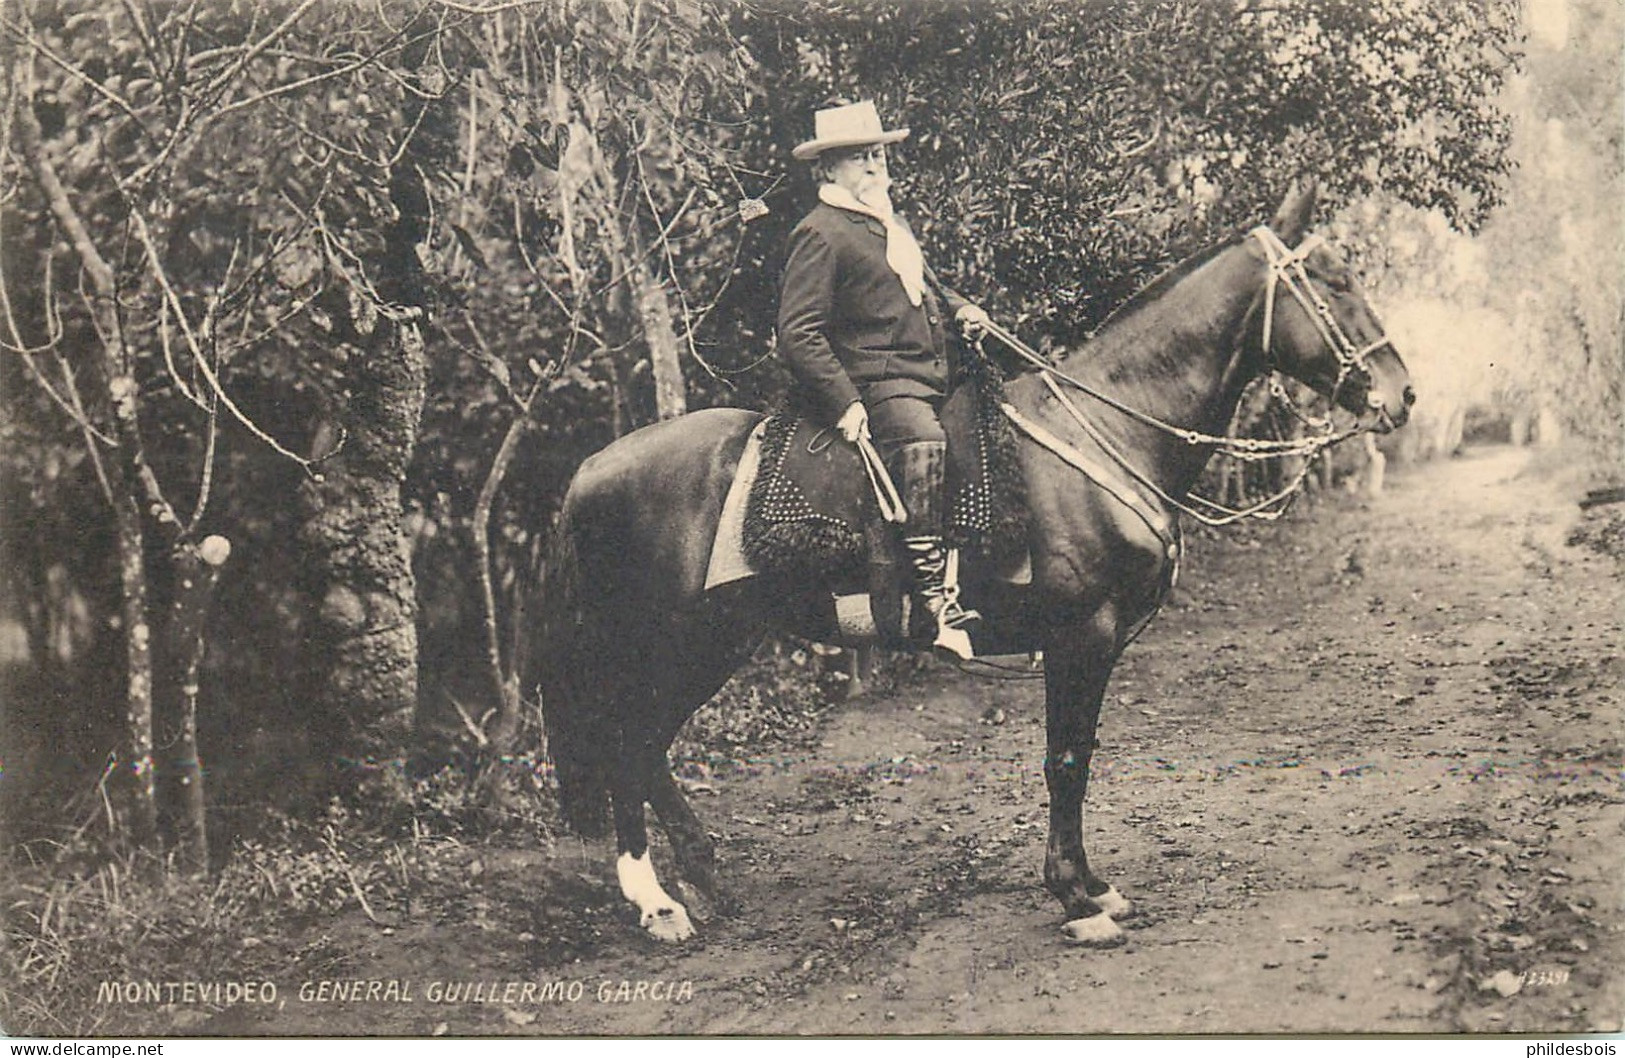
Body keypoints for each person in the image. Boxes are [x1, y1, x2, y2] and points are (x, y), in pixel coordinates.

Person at [776, 100, 992, 659]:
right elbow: (798, 331)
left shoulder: (888, 225)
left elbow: (930, 295)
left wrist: (964, 308)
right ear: (827, 170)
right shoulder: (821, 232)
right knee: (924, 441)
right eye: (857, 157)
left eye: (876, 154)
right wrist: (843, 401)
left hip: (928, 377)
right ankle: (933, 605)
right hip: (877, 384)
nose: (873, 165)